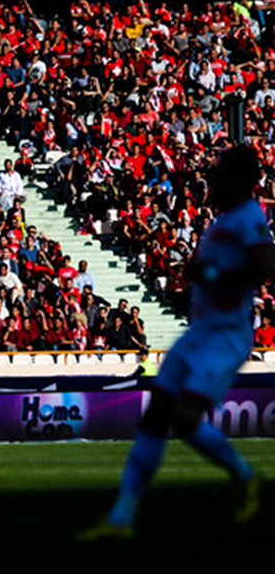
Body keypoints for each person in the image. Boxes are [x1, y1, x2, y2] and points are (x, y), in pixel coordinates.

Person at [82, 146, 272, 539]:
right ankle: (121, 518)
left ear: (239, 180)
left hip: (225, 335)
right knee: (155, 416)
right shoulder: (222, 220)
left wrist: (214, 271)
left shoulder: (248, 217)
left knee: (183, 420)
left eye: (220, 173)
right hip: (200, 331)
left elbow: (265, 266)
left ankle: (246, 477)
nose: (213, 180)